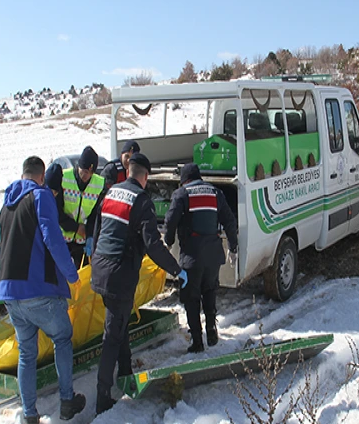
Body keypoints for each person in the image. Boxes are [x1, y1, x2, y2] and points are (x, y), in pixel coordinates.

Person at [90, 153, 187, 415]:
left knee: (118, 322)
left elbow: (97, 228)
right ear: (145, 176)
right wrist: (175, 269)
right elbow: (152, 243)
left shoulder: (112, 192)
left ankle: (126, 371)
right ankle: (102, 397)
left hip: (100, 269)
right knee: (112, 335)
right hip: (119, 275)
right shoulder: (141, 201)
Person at [0, 156, 85, 423]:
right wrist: (72, 276)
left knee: (27, 353)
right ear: (41, 175)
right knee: (62, 338)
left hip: (9, 293)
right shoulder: (41, 196)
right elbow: (53, 239)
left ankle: (29, 414)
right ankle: (67, 401)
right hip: (39, 291)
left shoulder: (7, 204)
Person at [164, 163, 238, 353]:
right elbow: (229, 220)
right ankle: (212, 330)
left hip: (192, 257)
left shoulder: (181, 194)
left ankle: (197, 341)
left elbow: (171, 219)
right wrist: (233, 247)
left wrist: (169, 241)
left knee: (191, 298)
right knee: (210, 290)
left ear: (184, 180)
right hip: (213, 255)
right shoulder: (215, 193)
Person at [58, 146, 106, 265]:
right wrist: (76, 227)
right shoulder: (64, 178)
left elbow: (95, 215)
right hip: (62, 239)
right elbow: (56, 211)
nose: (85, 175)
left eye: (89, 172)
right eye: (83, 171)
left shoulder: (98, 184)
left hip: (81, 243)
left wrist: (90, 235)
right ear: (78, 166)